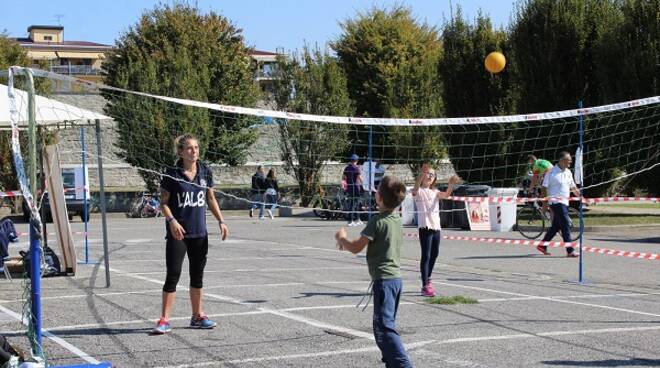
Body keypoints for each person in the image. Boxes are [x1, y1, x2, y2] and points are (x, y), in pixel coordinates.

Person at [153, 134, 229, 334]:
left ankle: (197, 316)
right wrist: (172, 221)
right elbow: (163, 203)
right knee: (173, 275)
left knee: (197, 276)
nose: (193, 151)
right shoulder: (172, 173)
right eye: (189, 148)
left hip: (199, 233)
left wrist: (221, 221)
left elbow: (210, 198)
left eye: (196, 147)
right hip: (178, 233)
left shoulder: (205, 170)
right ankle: (164, 319)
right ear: (180, 151)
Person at [335, 176, 412, 368]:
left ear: (380, 198)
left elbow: (355, 248)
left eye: (377, 190)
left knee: (384, 330)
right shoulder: (396, 219)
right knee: (384, 327)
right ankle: (392, 363)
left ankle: (403, 365)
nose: (375, 192)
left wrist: (342, 238)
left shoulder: (377, 221)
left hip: (384, 282)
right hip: (395, 281)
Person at [412, 164, 460, 297]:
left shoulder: (435, 192)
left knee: (435, 254)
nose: (429, 176)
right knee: (426, 255)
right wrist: (420, 176)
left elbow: (446, 195)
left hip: (436, 227)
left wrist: (450, 184)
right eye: (427, 174)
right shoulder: (419, 191)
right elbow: (415, 189)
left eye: (432, 175)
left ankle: (428, 278)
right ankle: (424, 285)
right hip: (425, 227)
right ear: (422, 176)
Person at [538, 151, 580, 257]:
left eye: (571, 160)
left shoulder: (568, 172)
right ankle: (570, 250)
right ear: (561, 160)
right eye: (568, 160)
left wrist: (582, 197)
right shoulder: (551, 172)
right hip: (555, 202)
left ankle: (542, 245)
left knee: (556, 225)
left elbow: (573, 187)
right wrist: (545, 204)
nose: (570, 161)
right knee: (565, 223)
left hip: (564, 202)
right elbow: (543, 188)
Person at [342, 153, 364, 227]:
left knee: (354, 203)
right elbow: (360, 178)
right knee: (355, 204)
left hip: (350, 188)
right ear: (356, 160)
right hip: (356, 188)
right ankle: (350, 221)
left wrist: (345, 185)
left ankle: (357, 219)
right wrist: (366, 184)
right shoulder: (356, 168)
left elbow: (344, 178)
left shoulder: (347, 168)